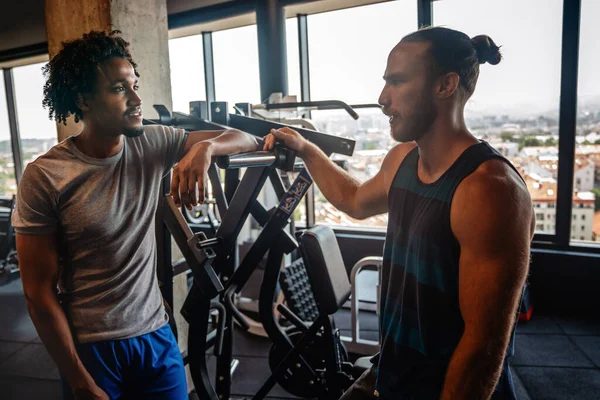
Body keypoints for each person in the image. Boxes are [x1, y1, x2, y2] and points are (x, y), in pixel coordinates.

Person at [264, 27, 534, 400]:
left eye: (396, 81)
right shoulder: (404, 159)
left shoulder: (488, 189)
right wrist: (306, 149)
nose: (382, 98)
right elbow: (354, 199)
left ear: (445, 85)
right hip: (394, 370)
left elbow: (482, 347)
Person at [13, 30, 260, 400]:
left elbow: (245, 138)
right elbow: (38, 293)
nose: (137, 99)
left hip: (156, 335)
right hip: (94, 347)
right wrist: (79, 379)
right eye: (119, 89)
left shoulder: (152, 143)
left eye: (135, 85)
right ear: (84, 100)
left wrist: (204, 148)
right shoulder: (46, 176)